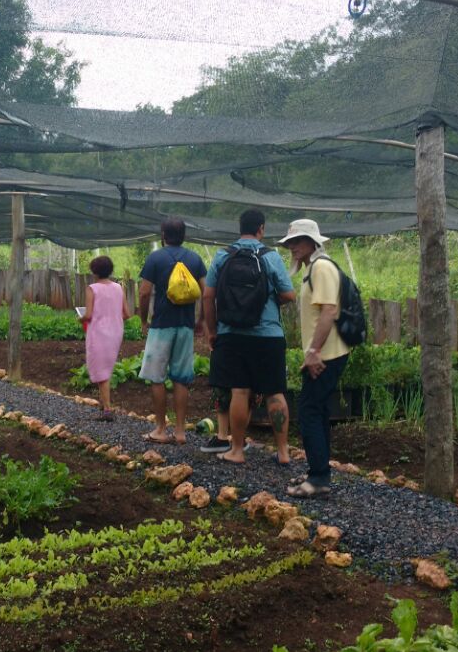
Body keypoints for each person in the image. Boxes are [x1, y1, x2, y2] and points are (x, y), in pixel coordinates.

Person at [201, 209, 297, 465]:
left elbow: (208, 296)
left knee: (240, 392)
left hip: (232, 334)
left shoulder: (223, 256)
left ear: (239, 227)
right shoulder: (269, 256)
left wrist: (212, 331)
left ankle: (237, 451)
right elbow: (289, 295)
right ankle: (284, 452)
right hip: (268, 335)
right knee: (275, 393)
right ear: (261, 229)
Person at [280, 219, 352, 498]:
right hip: (326, 352)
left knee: (308, 410)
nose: (293, 247)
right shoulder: (313, 268)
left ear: (313, 242)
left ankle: (319, 478)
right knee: (317, 410)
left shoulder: (321, 267)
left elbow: (329, 311)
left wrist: (313, 351)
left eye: (298, 241)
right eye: (290, 243)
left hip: (326, 355)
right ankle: (317, 471)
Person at [137, 218, 207, 445]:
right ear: (184, 235)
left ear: (163, 234)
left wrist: (143, 320)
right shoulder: (195, 259)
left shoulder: (155, 258)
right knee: (181, 379)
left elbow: (144, 292)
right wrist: (201, 320)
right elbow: (206, 293)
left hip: (161, 326)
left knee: (156, 378)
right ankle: (180, 432)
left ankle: (160, 428)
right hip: (185, 326)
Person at [80, 255, 131, 420]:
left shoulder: (92, 288)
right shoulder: (118, 288)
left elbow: (88, 314)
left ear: (95, 272)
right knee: (105, 366)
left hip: (98, 332)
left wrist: (80, 318)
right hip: (115, 332)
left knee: (101, 371)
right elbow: (127, 314)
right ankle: (103, 404)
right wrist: (112, 318)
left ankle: (108, 410)